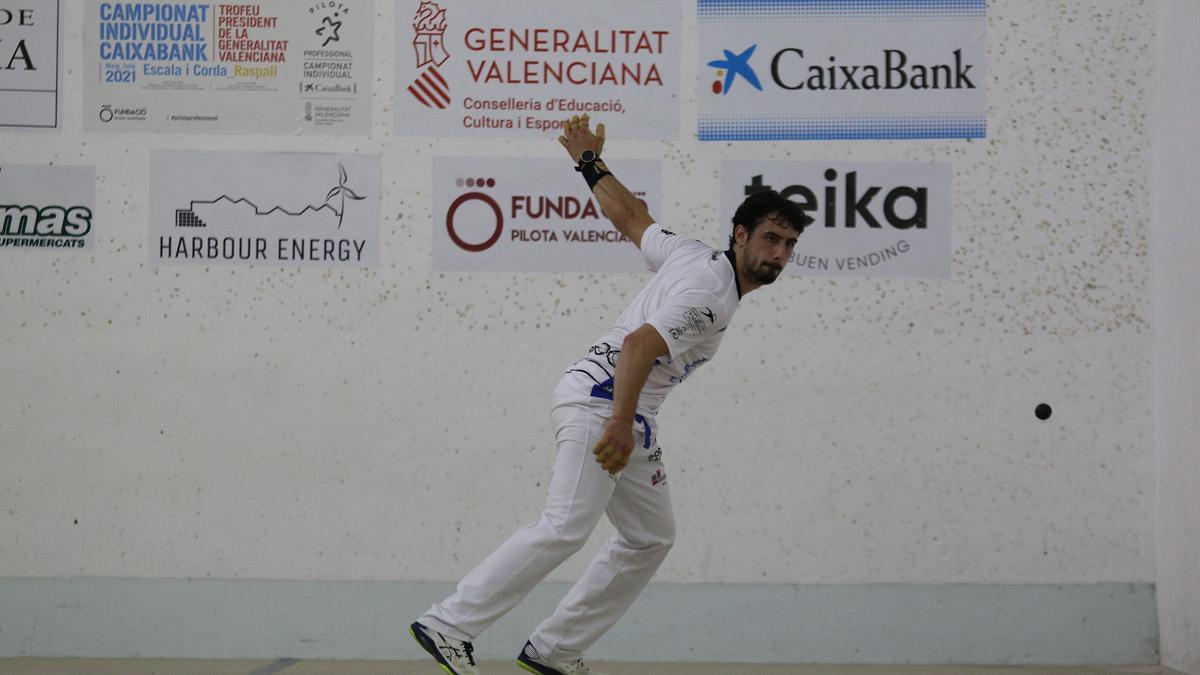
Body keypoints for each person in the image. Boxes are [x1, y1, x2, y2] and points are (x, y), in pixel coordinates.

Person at [410, 114, 810, 675]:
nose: (780, 254)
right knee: (565, 525)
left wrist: (589, 162)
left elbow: (631, 219)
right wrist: (620, 423)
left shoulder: (691, 253)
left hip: (627, 412)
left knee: (650, 538)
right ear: (740, 235)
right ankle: (448, 624)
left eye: (789, 245)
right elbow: (640, 345)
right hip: (604, 404)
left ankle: (554, 650)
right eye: (771, 239)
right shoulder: (712, 295)